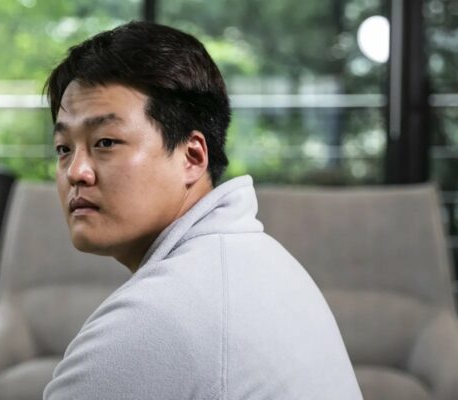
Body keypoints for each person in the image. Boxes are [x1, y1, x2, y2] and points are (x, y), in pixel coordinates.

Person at [43, 21, 363, 400]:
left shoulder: (153, 319)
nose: (75, 171)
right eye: (64, 148)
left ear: (192, 157)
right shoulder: (259, 260)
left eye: (106, 142)